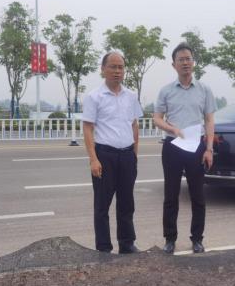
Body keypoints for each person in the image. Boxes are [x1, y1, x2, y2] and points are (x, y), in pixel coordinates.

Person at [153, 42, 216, 254]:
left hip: (196, 146)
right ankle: (170, 239)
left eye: (188, 59)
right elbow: (156, 118)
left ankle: (197, 238)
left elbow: (209, 120)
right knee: (171, 195)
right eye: (181, 60)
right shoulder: (166, 91)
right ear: (174, 65)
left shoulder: (204, 90)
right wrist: (171, 128)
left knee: (198, 195)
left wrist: (209, 149)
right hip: (173, 145)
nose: (185, 63)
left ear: (193, 62)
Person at [82, 52, 143, 254]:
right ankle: (103, 248)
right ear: (103, 69)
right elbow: (88, 128)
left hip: (127, 156)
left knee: (126, 203)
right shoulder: (94, 97)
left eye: (121, 67)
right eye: (113, 67)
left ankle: (127, 243)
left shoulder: (131, 96)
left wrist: (134, 155)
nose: (117, 71)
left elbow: (134, 125)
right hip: (104, 156)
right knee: (102, 206)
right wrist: (93, 159)